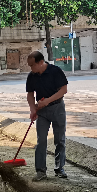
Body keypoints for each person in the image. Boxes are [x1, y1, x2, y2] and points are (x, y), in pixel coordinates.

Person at [26, 51, 68, 181]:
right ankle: (40, 171)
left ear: (40, 62)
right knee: (41, 141)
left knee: (59, 140)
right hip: (41, 112)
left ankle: (59, 168)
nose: (30, 68)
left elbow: (63, 90)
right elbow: (30, 94)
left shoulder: (55, 71)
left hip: (57, 108)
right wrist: (33, 109)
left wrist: (47, 101)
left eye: (32, 65)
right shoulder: (32, 76)